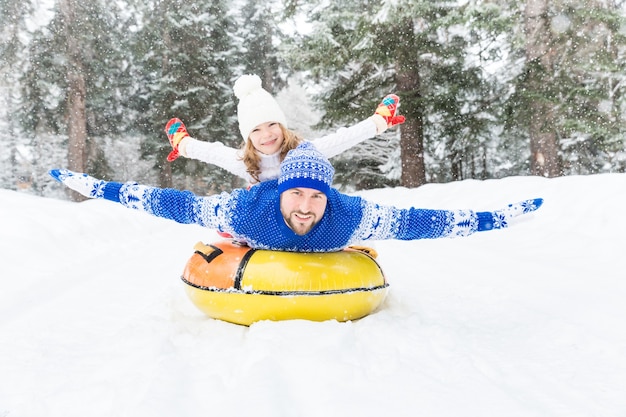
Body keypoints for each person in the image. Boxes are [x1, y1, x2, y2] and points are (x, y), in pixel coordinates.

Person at [49, 143, 543, 253]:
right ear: (280, 192)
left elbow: (428, 220)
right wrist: (95, 187)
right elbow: (163, 200)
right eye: (296, 194)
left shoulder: (352, 217)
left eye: (315, 196)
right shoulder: (244, 209)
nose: (305, 205)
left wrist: (500, 217)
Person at [164, 74, 405, 185]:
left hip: (299, 215)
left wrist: (378, 121)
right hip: (266, 218)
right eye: (256, 130)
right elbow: (211, 152)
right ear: (248, 137)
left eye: (272, 125)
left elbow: (340, 139)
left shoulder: (302, 152)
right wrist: (183, 143)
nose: (266, 135)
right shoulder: (244, 161)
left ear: (282, 126)